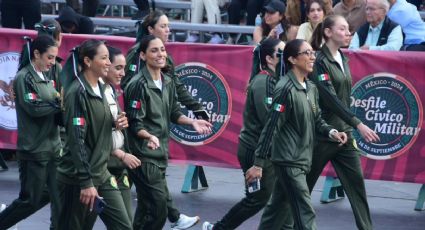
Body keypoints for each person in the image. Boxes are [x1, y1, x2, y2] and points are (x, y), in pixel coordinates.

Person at [245, 39, 348, 230]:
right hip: (288, 161)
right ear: (292, 59)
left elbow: (317, 120)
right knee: (304, 212)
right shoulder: (285, 89)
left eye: (312, 53)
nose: (312, 57)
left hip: (302, 159)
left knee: (275, 212)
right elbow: (271, 126)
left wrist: (332, 132)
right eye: (306, 53)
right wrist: (258, 163)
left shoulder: (311, 88)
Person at [122, 11, 204, 230]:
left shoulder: (166, 78)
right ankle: (175, 218)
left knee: (147, 204)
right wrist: (147, 134)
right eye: (164, 26)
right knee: (156, 206)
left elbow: (175, 105)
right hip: (142, 147)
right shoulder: (138, 79)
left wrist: (194, 118)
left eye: (162, 50)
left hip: (159, 148)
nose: (168, 30)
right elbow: (130, 96)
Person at [202, 38, 291, 230]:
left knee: (282, 196)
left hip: (271, 149)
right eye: (281, 53)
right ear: (269, 58)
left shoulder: (278, 79)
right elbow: (271, 120)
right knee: (257, 199)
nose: (287, 57)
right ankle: (218, 228)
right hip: (256, 151)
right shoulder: (263, 82)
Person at [309, 15, 380, 229]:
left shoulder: (343, 57)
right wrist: (358, 123)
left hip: (345, 135)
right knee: (301, 189)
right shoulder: (319, 61)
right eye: (342, 29)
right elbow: (329, 100)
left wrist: (351, 126)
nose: (348, 33)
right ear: (328, 33)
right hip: (323, 135)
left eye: (348, 29)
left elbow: (342, 99)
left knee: (357, 188)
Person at [56, 39, 132, 230]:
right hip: (79, 178)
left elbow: (97, 125)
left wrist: (116, 124)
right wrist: (86, 182)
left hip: (102, 173)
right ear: (88, 62)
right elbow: (77, 141)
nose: (108, 62)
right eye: (104, 58)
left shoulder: (103, 89)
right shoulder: (77, 93)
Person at [0, 35, 61, 230]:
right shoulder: (23, 77)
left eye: (54, 58)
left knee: (58, 198)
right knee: (30, 201)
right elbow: (35, 108)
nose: (52, 63)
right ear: (36, 54)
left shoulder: (49, 76)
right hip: (33, 150)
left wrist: (57, 105)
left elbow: (53, 105)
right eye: (49, 58)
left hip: (53, 149)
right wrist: (59, 104)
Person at [104, 45, 142, 225]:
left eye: (124, 69)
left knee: (125, 224)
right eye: (118, 68)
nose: (122, 73)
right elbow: (89, 135)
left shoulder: (110, 90)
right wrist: (121, 154)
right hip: (101, 171)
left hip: (119, 168)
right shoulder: (85, 93)